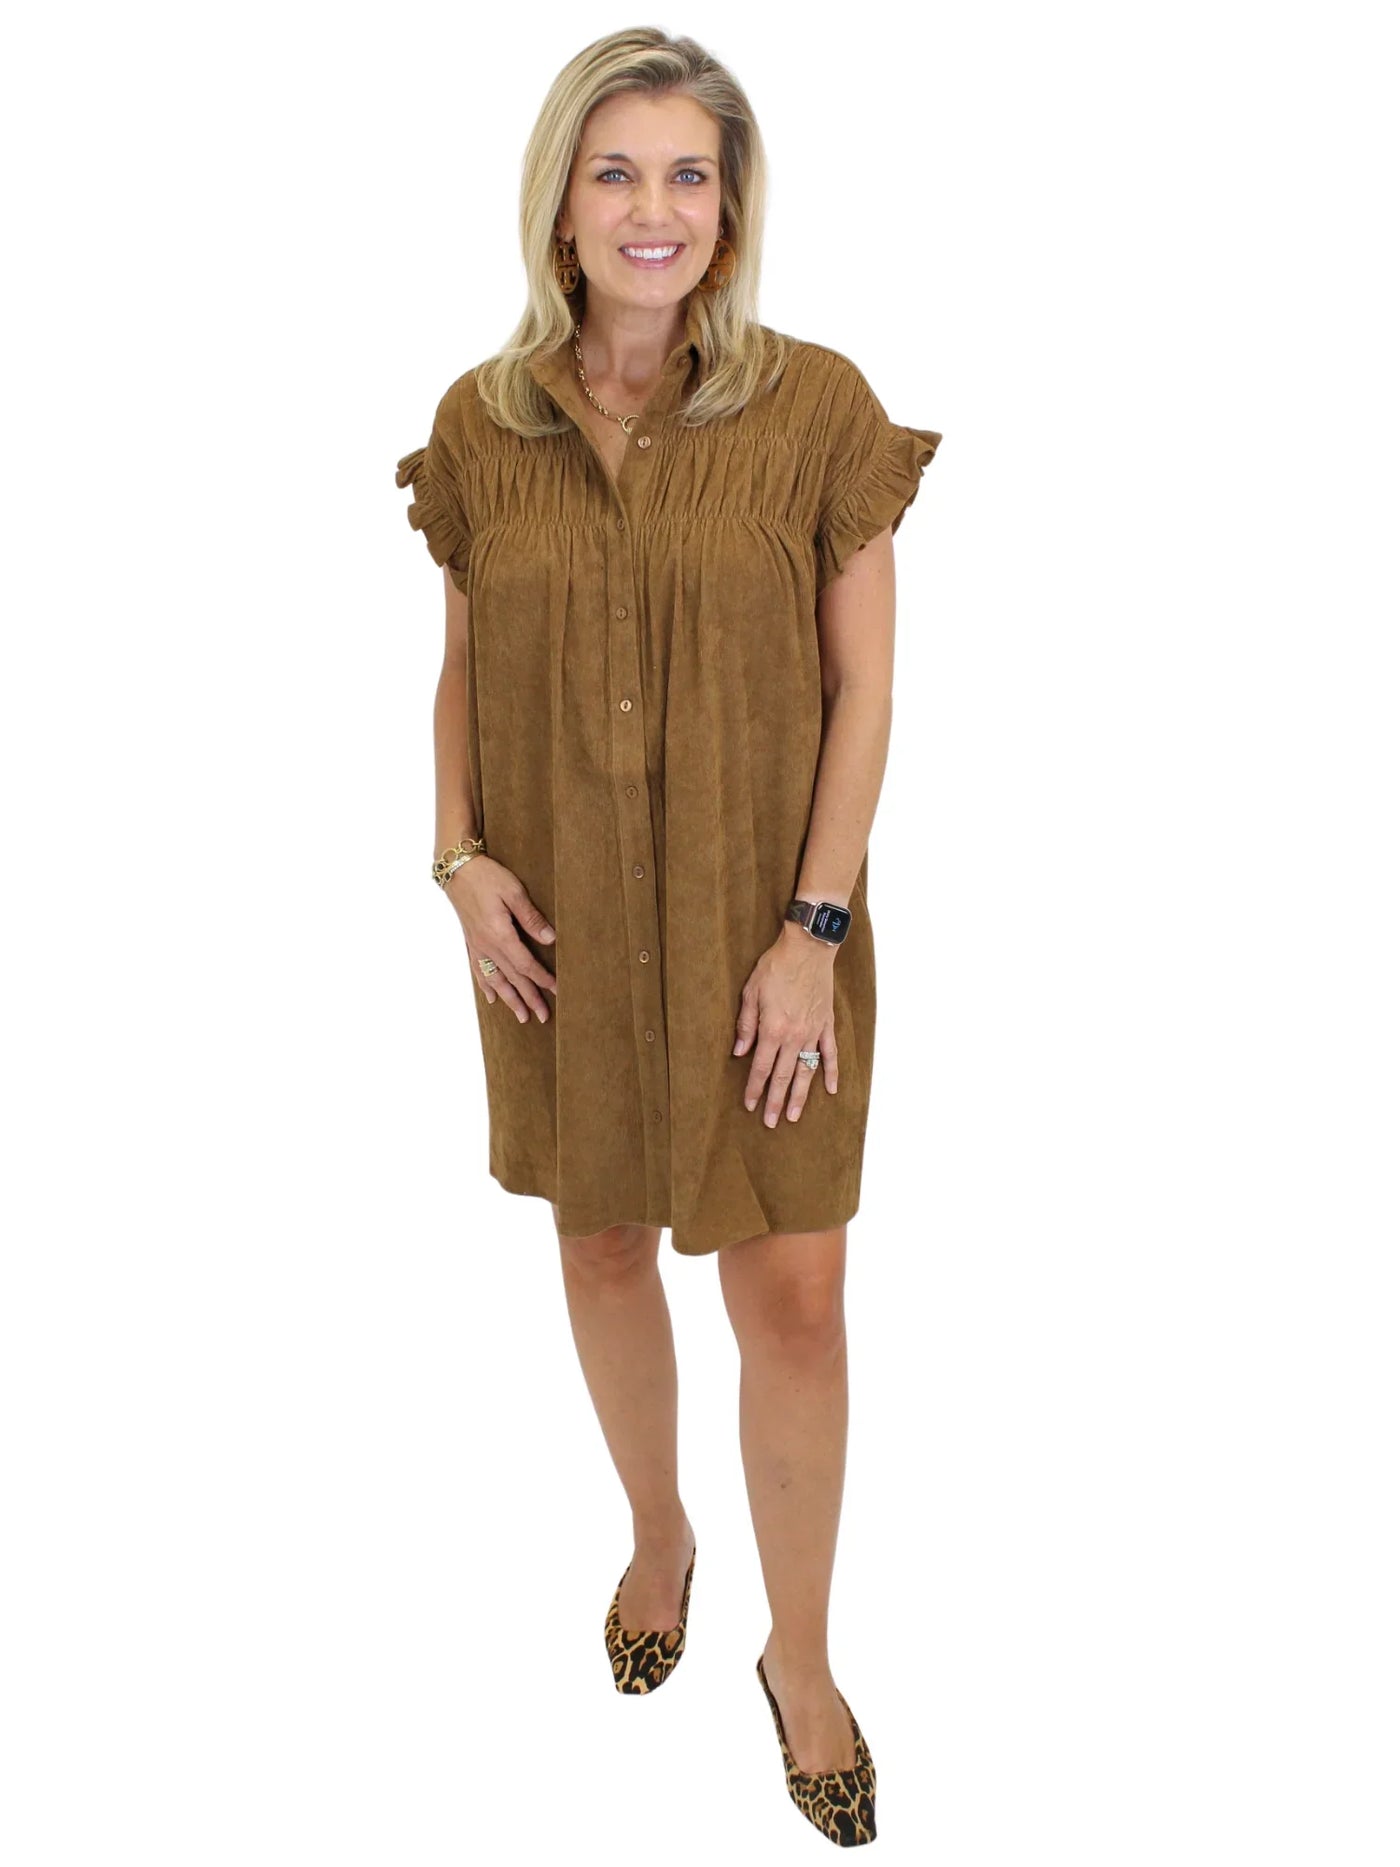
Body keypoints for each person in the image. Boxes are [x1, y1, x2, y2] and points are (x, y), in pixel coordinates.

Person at [394, 27, 941, 1847]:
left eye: (689, 174)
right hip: (555, 934)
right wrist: (458, 855)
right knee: (607, 1239)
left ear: (734, 204)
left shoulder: (816, 409)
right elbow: (464, 668)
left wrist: (812, 925)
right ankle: (656, 1534)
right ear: (561, 199)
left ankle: (801, 1655)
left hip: (764, 930)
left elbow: (867, 692)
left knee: (795, 1294)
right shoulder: (486, 424)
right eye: (617, 171)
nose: (655, 208)